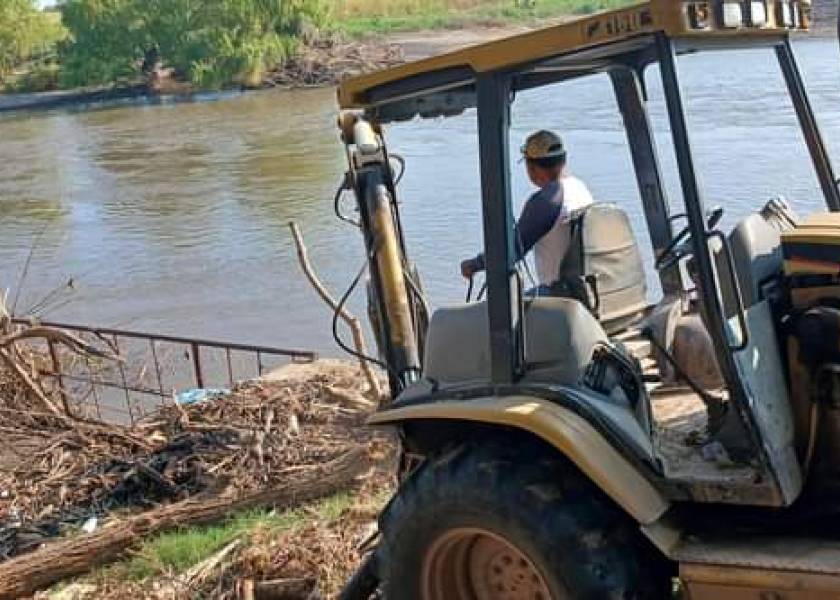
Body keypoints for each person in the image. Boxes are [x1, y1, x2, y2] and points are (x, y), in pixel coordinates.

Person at [460, 130, 594, 293]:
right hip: (583, 289)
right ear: (563, 160)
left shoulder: (546, 201)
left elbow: (512, 251)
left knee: (479, 314)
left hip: (561, 296)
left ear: (532, 167)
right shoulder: (580, 188)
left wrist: (474, 264)